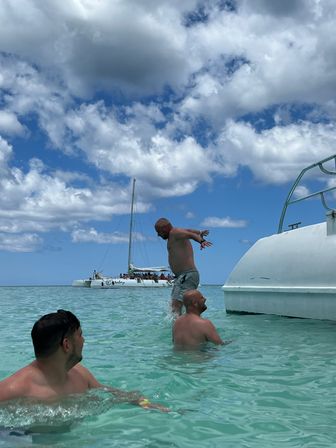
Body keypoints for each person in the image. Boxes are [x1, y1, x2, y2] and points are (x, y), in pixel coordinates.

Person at [0, 310, 168, 411]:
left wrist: (146, 404)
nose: (84, 340)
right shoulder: (13, 389)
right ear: (66, 344)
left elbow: (109, 393)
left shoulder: (79, 373)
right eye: (80, 335)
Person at [154, 217, 212, 315]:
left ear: (164, 229)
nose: (158, 235)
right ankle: (189, 325)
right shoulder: (176, 233)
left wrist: (201, 241)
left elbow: (191, 235)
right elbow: (189, 231)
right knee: (183, 307)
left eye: (159, 232)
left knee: (176, 307)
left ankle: (181, 328)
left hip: (186, 276)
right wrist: (200, 231)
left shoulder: (174, 233)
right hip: (184, 277)